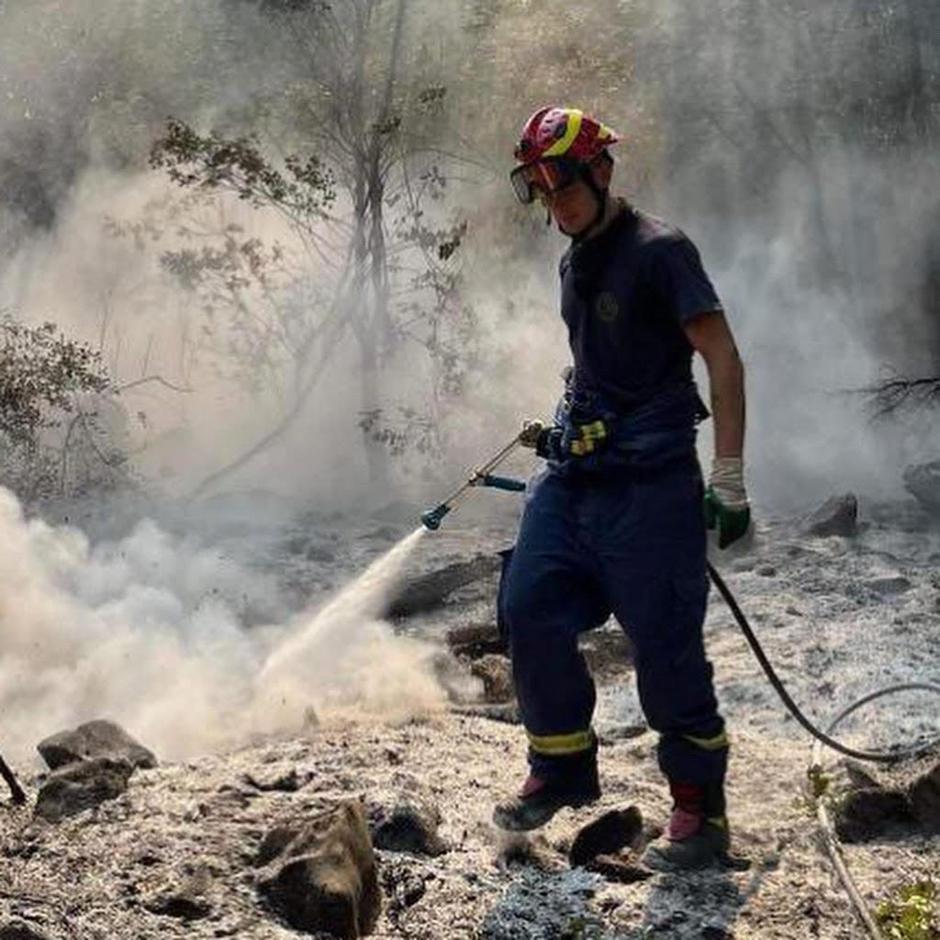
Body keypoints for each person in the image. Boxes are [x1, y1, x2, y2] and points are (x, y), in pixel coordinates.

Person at [494, 106, 750, 872]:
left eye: (561, 180)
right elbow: (599, 357)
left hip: (651, 487)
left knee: (664, 648)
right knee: (528, 603)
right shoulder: (573, 258)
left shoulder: (661, 252)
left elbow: (724, 358)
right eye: (538, 185)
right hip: (577, 479)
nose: (553, 199)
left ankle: (700, 811)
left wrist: (730, 476)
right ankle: (564, 764)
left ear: (600, 170)